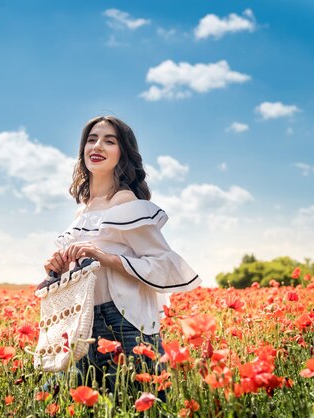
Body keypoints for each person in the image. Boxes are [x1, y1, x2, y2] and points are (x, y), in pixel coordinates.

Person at [44, 115, 201, 397]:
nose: (98, 145)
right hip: (85, 323)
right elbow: (88, 271)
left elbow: (164, 263)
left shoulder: (126, 202)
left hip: (125, 323)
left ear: (122, 152)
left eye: (109, 140)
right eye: (92, 139)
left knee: (142, 407)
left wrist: (104, 257)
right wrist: (59, 267)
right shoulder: (82, 211)